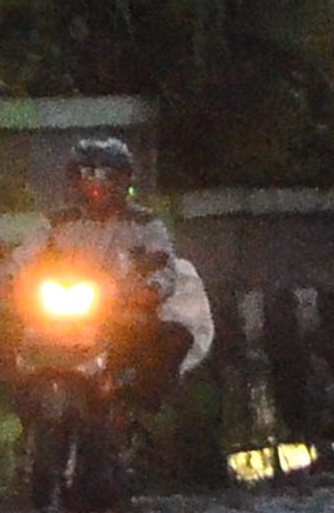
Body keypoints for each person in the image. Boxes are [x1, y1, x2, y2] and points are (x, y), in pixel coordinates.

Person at [14, 137, 216, 400]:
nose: (98, 184)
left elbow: (163, 265)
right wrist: (11, 281)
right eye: (88, 175)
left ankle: (136, 405)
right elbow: (24, 258)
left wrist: (151, 290)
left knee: (171, 338)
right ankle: (22, 411)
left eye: (108, 176)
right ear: (75, 182)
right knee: (4, 332)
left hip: (120, 312)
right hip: (59, 316)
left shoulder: (146, 225)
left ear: (124, 180)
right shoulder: (55, 224)